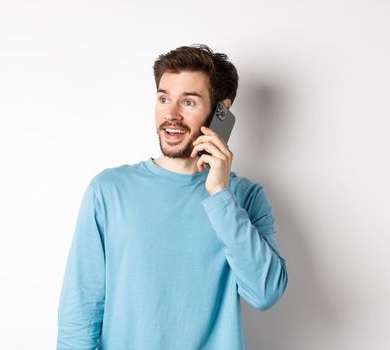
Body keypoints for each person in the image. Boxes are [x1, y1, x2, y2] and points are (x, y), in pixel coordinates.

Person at [56, 44, 288, 350]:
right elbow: (80, 312)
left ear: (221, 111)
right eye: (164, 98)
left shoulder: (244, 197)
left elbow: (266, 292)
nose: (171, 114)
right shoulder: (109, 190)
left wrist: (219, 194)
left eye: (188, 102)